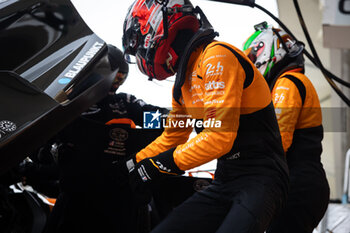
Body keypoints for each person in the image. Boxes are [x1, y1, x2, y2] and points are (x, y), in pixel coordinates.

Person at [122, 1, 289, 232]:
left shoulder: (216, 57)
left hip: (260, 179)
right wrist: (133, 164)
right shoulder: (183, 84)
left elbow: (219, 137)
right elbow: (172, 137)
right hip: (225, 181)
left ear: (157, 27)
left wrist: (160, 164)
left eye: (137, 42)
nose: (139, 50)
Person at [42, 44, 169, 233]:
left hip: (118, 199)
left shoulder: (124, 103)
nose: (117, 84)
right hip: (74, 197)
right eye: (115, 77)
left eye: (122, 79)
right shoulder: (63, 104)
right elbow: (39, 145)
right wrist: (51, 153)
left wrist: (194, 117)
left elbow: (158, 118)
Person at [243, 22, 330, 233]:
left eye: (253, 59)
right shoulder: (284, 84)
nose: (251, 67)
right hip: (301, 184)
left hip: (299, 185)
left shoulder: (288, 82)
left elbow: (277, 141)